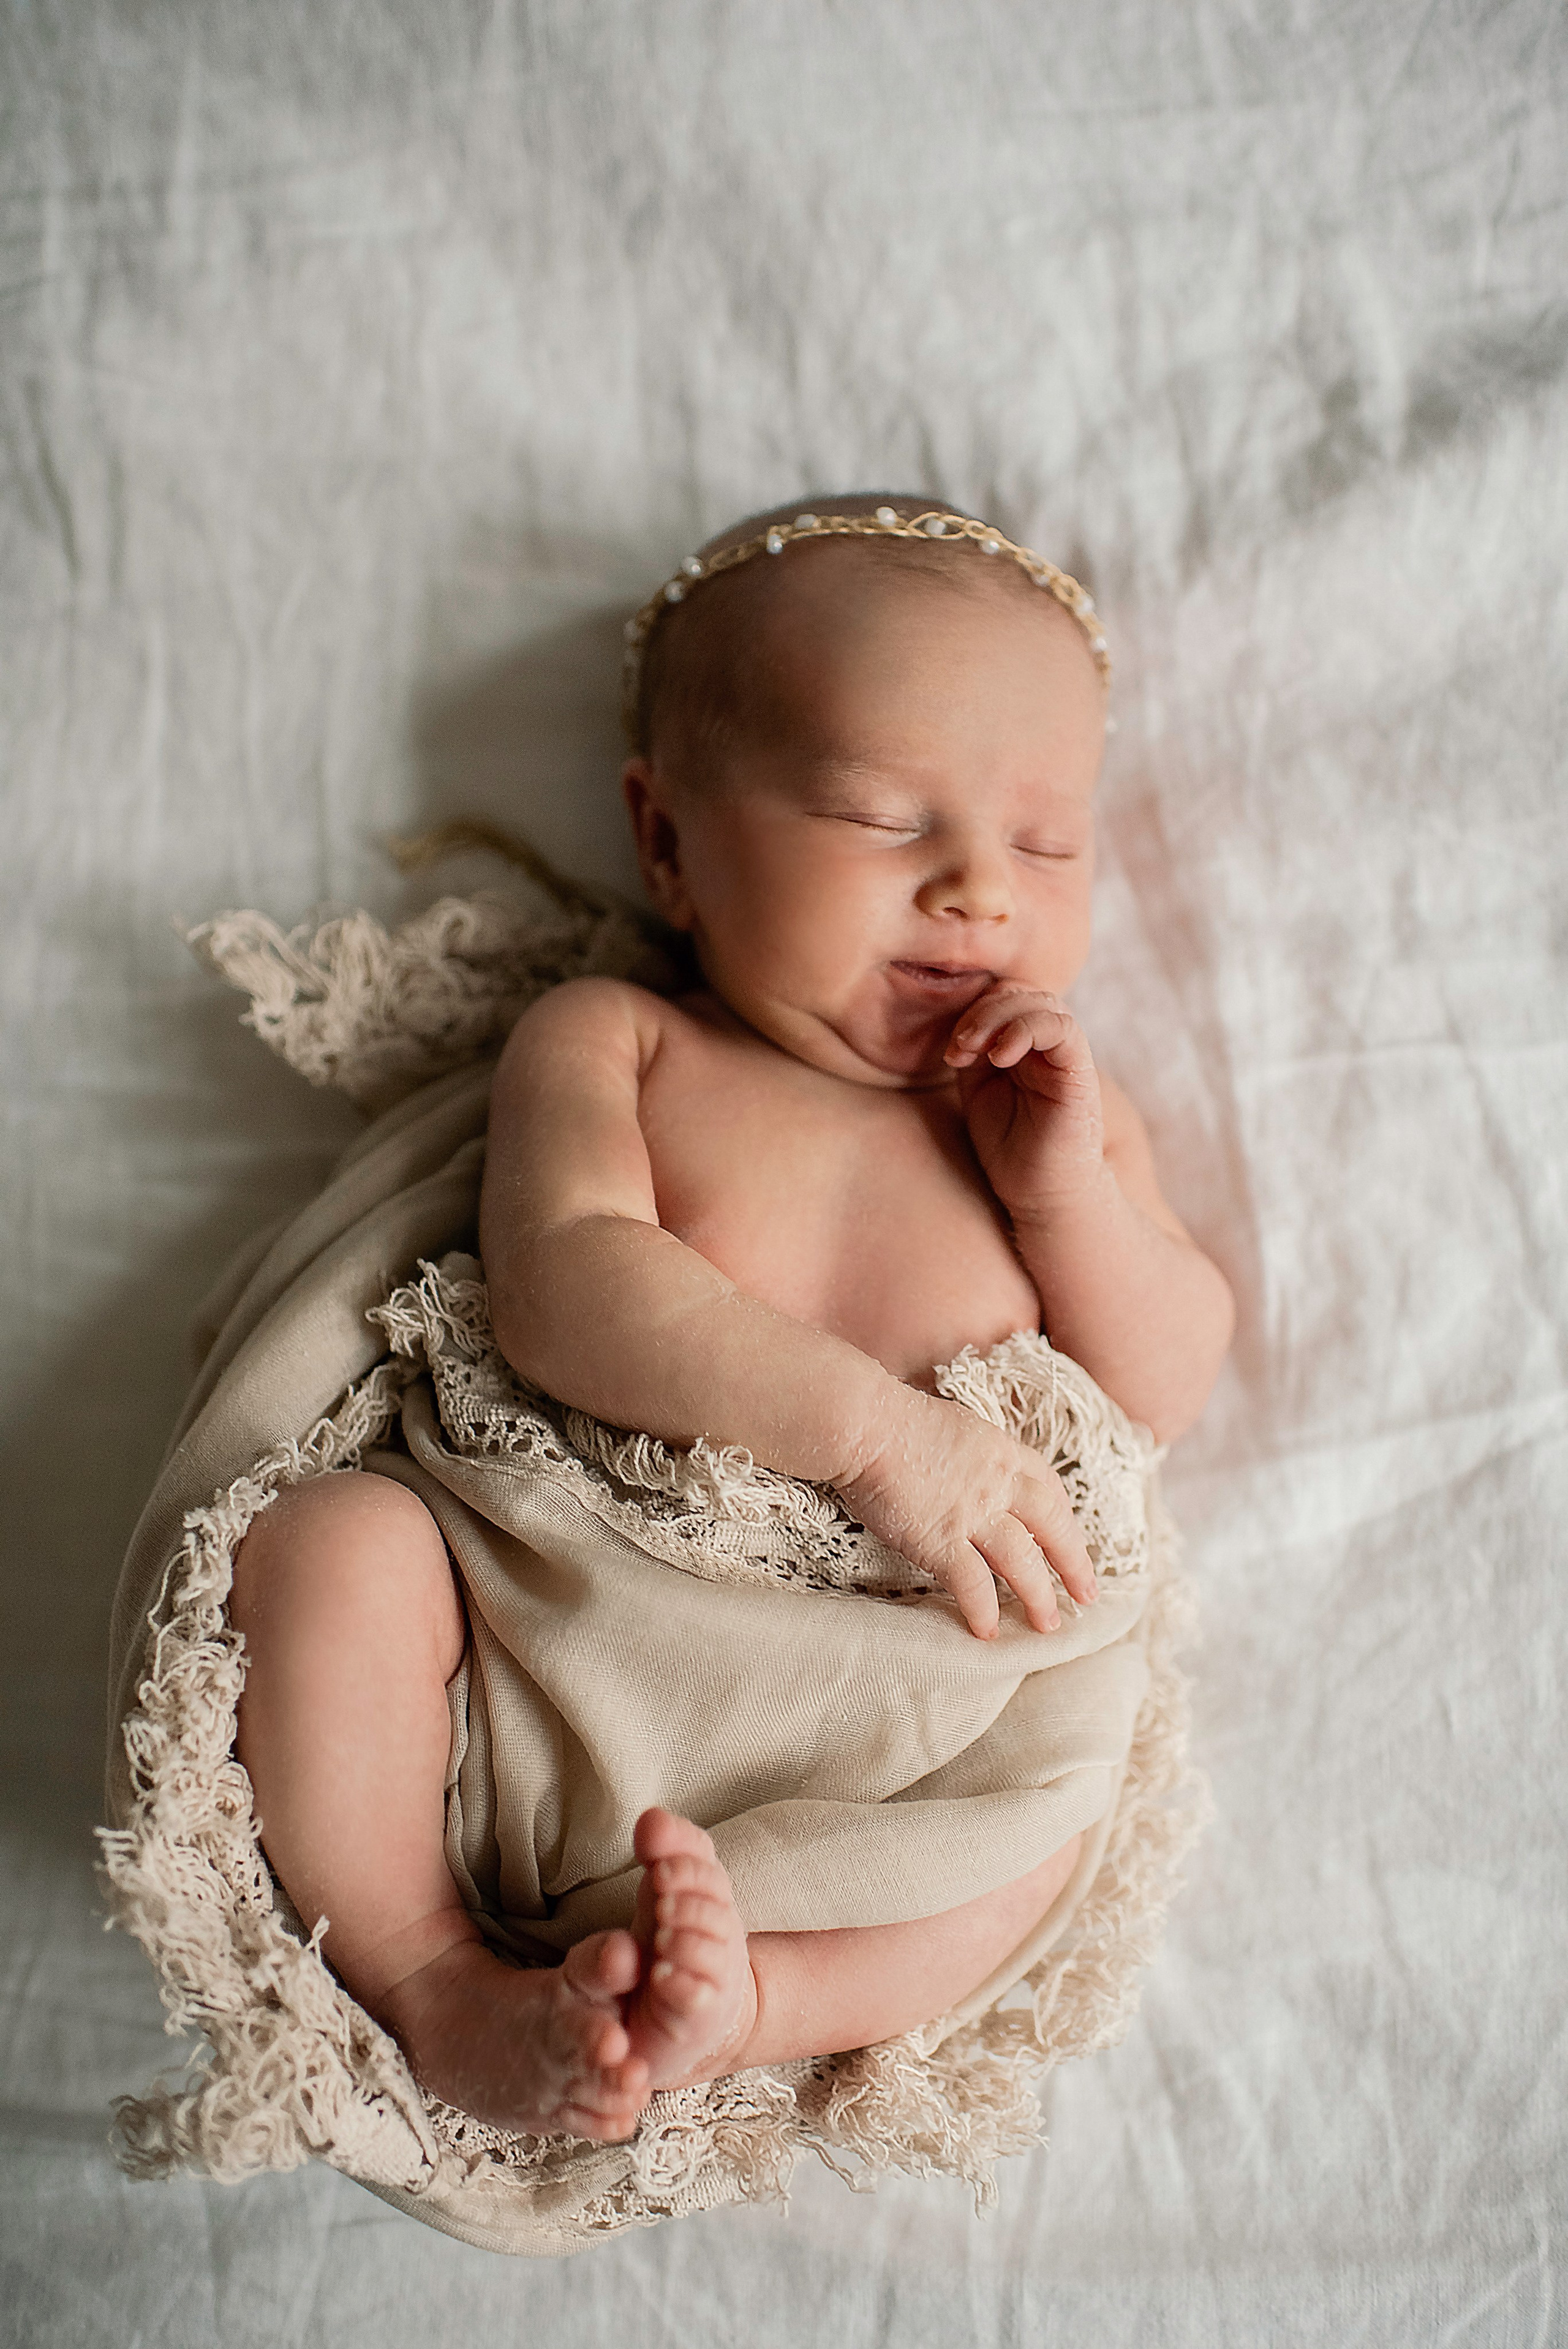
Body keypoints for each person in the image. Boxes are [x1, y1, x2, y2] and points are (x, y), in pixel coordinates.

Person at [228, 494, 1235, 2145]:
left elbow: (1167, 1382)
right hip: (544, 1653)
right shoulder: (619, 1044)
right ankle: (432, 1973)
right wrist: (879, 1435)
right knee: (330, 1551)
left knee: (1058, 1805)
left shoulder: (1066, 1116)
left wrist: (1068, 1195)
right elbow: (564, 1283)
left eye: (1048, 840)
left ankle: (757, 2000)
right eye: (882, 818)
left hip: (894, 1741)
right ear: (669, 840)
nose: (981, 888)